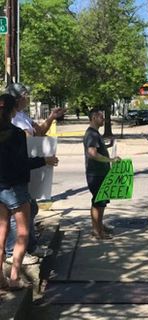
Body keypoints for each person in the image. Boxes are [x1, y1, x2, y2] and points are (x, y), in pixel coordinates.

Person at [0, 94, 57, 289]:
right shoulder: (15, 133)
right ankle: (15, 278)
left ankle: (0, 278)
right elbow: (22, 163)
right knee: (23, 233)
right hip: (16, 189)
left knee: (1, 233)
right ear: (12, 110)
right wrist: (43, 160)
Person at [83, 108, 120, 240]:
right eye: (100, 117)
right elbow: (92, 153)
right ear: (93, 118)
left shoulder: (94, 134)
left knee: (100, 202)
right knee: (98, 203)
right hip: (96, 174)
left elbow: (97, 149)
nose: (103, 119)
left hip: (100, 173)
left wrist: (108, 145)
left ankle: (99, 227)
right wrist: (110, 160)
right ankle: (97, 231)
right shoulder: (92, 134)